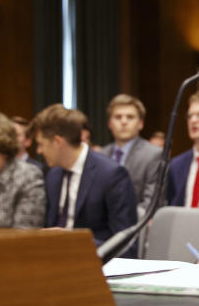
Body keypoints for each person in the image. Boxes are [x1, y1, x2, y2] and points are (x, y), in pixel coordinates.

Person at [32, 104, 138, 255]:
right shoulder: (53, 175)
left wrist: (73, 241)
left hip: (95, 264)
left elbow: (127, 244)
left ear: (57, 142)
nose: (39, 151)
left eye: (41, 144)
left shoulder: (111, 175)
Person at [100, 94, 161, 211]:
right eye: (118, 117)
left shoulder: (154, 155)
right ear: (109, 123)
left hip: (136, 225)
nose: (123, 122)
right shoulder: (100, 155)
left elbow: (152, 203)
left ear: (140, 123)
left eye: (130, 117)